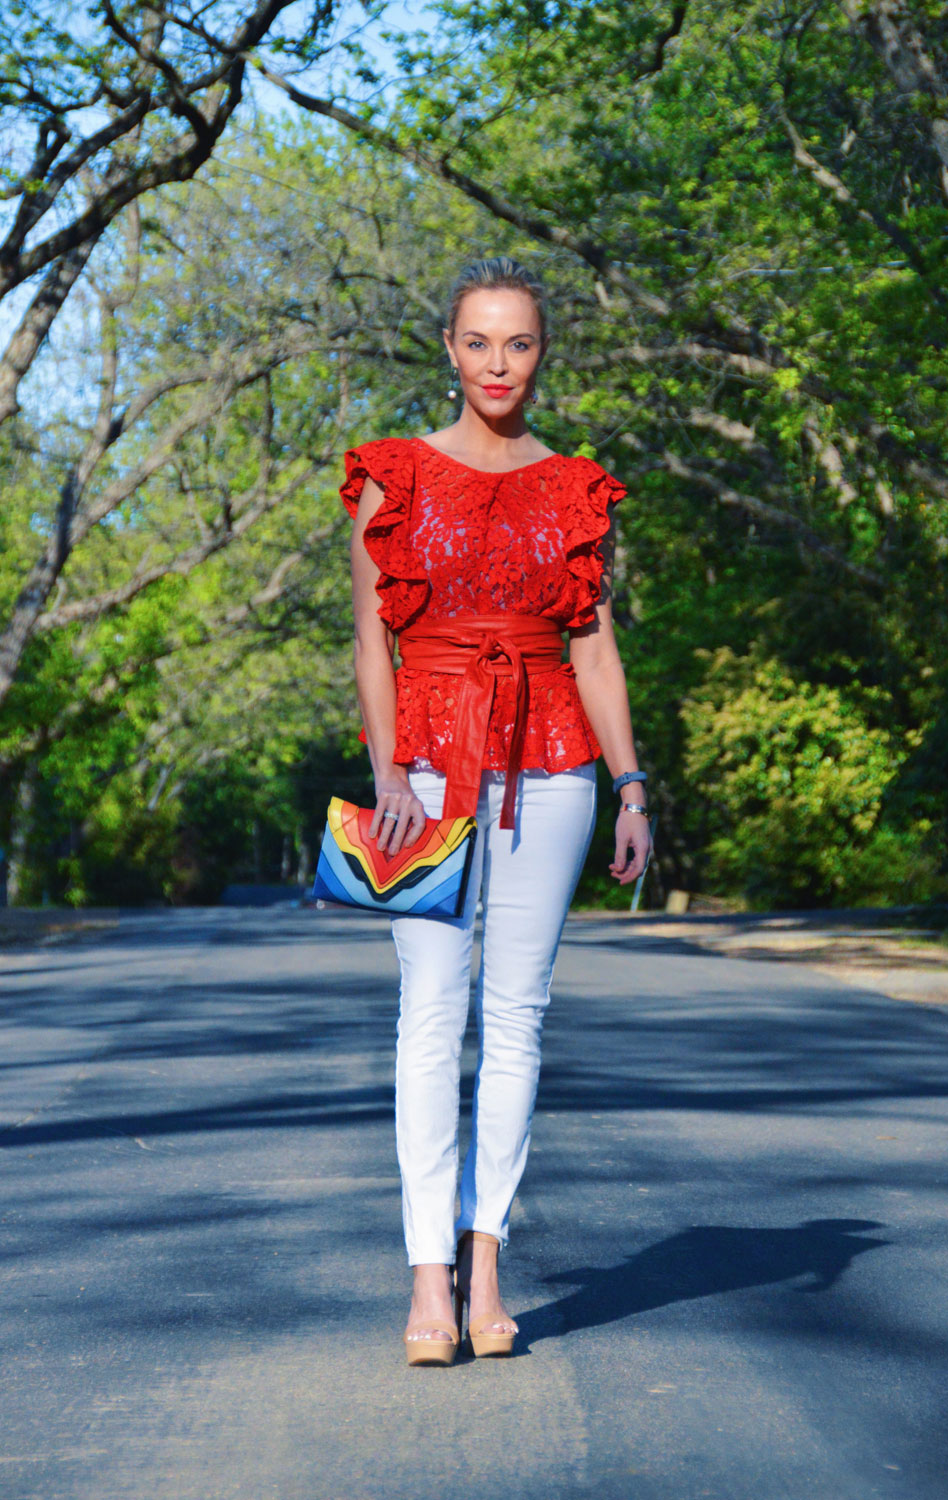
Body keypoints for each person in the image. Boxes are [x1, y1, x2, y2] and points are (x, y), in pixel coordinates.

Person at [340, 255, 652, 1366]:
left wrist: (629, 786)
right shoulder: (396, 475)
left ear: (542, 351)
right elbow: (372, 642)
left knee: (514, 1019)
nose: (497, 363)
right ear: (449, 348)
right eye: (478, 341)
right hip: (422, 762)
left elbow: (596, 648)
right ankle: (426, 1277)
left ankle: (485, 1267)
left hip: (556, 763)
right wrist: (385, 771)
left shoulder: (576, 486)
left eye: (517, 342)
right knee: (431, 1011)